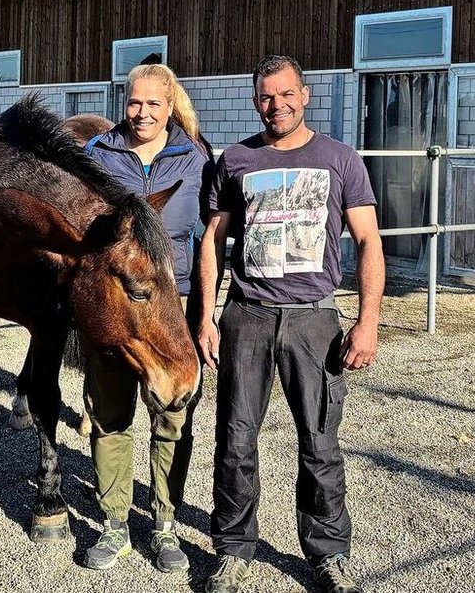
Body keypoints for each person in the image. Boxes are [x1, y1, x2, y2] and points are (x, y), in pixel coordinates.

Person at [196, 55, 384, 593]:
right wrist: (207, 317)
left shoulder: (339, 159)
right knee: (235, 440)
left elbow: (369, 241)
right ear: (255, 100)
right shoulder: (235, 160)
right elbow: (212, 241)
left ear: (304, 96)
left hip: (314, 319)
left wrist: (368, 322)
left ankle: (328, 555)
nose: (275, 105)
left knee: (320, 442)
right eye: (265, 96)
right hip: (247, 316)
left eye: (285, 94)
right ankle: (233, 550)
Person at [80, 63, 211, 573]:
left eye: (154, 103)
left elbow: (209, 238)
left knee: (172, 417)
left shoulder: (194, 158)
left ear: (170, 105)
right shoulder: (98, 154)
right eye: (135, 101)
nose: (142, 112)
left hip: (172, 306)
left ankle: (165, 523)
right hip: (116, 308)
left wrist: (206, 313)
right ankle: (115, 524)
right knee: (110, 415)